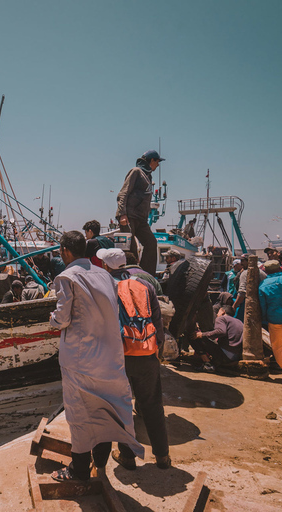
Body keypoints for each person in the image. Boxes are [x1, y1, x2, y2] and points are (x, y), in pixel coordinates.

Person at [49, 231, 143, 481]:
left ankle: (78, 469)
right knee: (108, 407)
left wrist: (52, 320)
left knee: (79, 413)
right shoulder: (104, 275)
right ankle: (100, 461)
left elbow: (62, 318)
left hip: (80, 359)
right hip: (110, 356)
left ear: (66, 251)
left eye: (60, 251)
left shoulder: (66, 276)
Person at [98, 247, 171, 470]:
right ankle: (162, 457)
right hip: (147, 352)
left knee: (121, 407)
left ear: (105, 266)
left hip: (118, 356)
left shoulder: (105, 287)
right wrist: (156, 349)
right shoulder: (145, 285)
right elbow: (157, 319)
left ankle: (127, 457)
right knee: (152, 405)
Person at [116, 150, 163, 275]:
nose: (158, 165)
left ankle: (146, 275)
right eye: (157, 162)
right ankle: (130, 274)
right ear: (152, 160)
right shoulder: (136, 171)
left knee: (151, 243)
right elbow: (123, 193)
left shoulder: (148, 176)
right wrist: (122, 214)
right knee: (130, 249)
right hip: (129, 216)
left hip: (141, 219)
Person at [191, 305, 243, 370]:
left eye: (218, 312)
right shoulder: (239, 322)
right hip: (235, 357)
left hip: (225, 355)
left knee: (193, 337)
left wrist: (202, 334)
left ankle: (207, 364)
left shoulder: (222, 318)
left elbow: (221, 331)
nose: (217, 314)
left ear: (223, 312)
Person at [233, 254, 266, 321]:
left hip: (245, 305)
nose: (241, 263)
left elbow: (242, 293)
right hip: (259, 305)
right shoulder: (262, 273)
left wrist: (234, 306)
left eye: (243, 261)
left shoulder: (245, 273)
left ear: (249, 262)